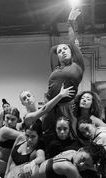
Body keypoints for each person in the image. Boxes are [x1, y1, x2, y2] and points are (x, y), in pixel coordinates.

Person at [41, 8, 85, 143]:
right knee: (49, 135)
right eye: (60, 51)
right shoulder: (56, 68)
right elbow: (51, 51)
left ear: (72, 52)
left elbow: (71, 42)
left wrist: (70, 22)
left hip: (67, 107)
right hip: (50, 105)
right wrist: (56, 49)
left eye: (65, 49)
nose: (63, 51)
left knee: (72, 135)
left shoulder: (77, 65)